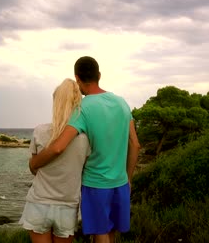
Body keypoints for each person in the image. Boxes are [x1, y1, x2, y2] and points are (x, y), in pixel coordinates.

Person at [30, 56, 140, 243]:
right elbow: (135, 144)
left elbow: (58, 147)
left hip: (96, 184)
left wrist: (34, 163)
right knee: (111, 231)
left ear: (77, 78)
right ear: (99, 75)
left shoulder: (82, 109)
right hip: (120, 182)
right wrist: (128, 179)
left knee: (100, 232)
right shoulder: (122, 103)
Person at [19, 78, 91, 243]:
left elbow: (33, 168)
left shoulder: (40, 131)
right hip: (68, 205)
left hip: (39, 202)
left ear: (55, 102)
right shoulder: (85, 138)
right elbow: (84, 169)